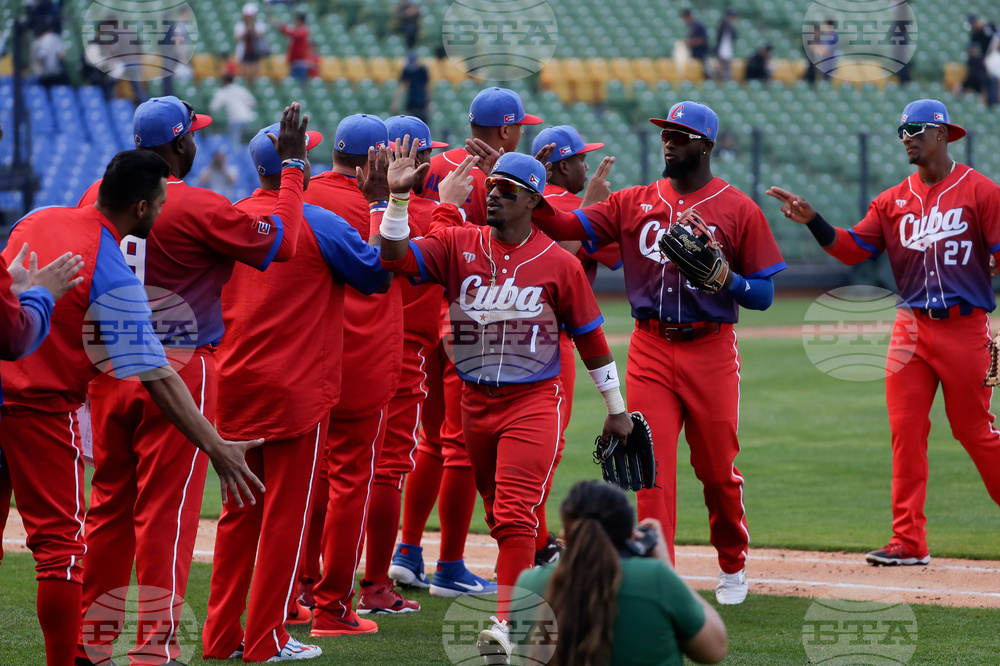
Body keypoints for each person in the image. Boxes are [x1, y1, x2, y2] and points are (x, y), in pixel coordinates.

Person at [1, 150, 265, 666]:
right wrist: (217, 447)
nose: (164, 211)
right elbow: (158, 374)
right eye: (162, 203)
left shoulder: (38, 219)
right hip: (37, 410)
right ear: (141, 208)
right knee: (59, 553)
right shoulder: (111, 268)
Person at [522, 101, 787, 606]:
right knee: (649, 469)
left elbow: (764, 295)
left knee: (716, 471)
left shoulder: (738, 208)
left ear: (705, 145)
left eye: (681, 135)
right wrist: (518, 181)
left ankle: (732, 564)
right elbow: (559, 227)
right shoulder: (631, 202)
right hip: (649, 346)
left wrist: (726, 279)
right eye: (667, 132)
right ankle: (656, 576)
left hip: (710, 348)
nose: (670, 141)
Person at [74, 99, 308, 666]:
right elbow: (286, 242)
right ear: (179, 147)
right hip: (178, 365)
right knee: (166, 514)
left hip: (107, 365)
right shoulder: (199, 204)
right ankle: (157, 648)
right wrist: (295, 169)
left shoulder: (93, 198)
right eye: (193, 136)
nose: (197, 144)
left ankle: (91, 643)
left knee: (108, 508)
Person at [380, 146, 634, 664]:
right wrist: (399, 199)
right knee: (502, 514)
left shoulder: (560, 263)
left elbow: (591, 339)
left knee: (516, 511)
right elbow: (395, 257)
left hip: (533, 400)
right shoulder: (456, 243)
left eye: (506, 190)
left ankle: (509, 624)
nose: (493, 195)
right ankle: (550, 590)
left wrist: (616, 405)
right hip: (474, 402)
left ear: (532, 200)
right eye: (491, 187)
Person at [767, 99, 1000, 567]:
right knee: (905, 433)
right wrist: (814, 221)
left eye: (915, 128)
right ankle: (908, 541)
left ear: (942, 134)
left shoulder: (981, 191)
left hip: (965, 328)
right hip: (910, 328)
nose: (906, 137)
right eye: (901, 131)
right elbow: (852, 250)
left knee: (974, 432)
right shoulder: (892, 201)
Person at [202, 122, 390, 663]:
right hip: (296, 392)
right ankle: (265, 642)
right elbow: (377, 277)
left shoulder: (229, 217)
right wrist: (379, 204)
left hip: (233, 385)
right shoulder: (320, 222)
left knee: (239, 516)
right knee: (285, 517)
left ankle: (220, 640)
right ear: (293, 166)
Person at [386, 87, 543, 599]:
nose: (522, 133)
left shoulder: (437, 161)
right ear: (504, 129)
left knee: (427, 442)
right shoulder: (500, 178)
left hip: (411, 311)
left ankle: (407, 551)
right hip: (463, 317)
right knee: (456, 446)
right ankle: (450, 564)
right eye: (519, 125)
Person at [300, 114, 403, 638]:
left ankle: (295, 591)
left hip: (303, 361)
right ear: (375, 160)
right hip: (360, 364)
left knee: (307, 478)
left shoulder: (300, 197)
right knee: (349, 484)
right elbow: (404, 261)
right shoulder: (387, 206)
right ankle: (333, 608)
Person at [357, 115, 450, 615]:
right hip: (404, 352)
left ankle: (309, 583)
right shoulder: (439, 215)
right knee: (388, 470)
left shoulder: (342, 206)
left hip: (345, 349)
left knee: (336, 467)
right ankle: (374, 586)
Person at [530, 123, 622, 566]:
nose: (587, 165)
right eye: (582, 158)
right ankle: (534, 543)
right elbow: (603, 256)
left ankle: (530, 540)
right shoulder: (579, 207)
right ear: (562, 164)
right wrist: (594, 208)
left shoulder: (521, 200)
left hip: (502, 336)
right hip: (553, 341)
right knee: (545, 445)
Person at [513, 480, 728, 666]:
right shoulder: (656, 579)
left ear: (565, 536)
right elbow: (715, 650)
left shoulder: (528, 585)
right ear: (631, 534)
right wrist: (666, 567)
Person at [208, 72, 258, 146]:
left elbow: (213, 107)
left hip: (235, 120)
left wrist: (210, 115)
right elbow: (253, 102)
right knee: (246, 143)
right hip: (247, 119)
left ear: (223, 81)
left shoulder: (223, 91)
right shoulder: (240, 89)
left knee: (235, 143)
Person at [271, 12, 312, 81]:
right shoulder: (297, 29)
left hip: (300, 62)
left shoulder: (303, 30)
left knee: (299, 84)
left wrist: (279, 24)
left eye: (296, 20)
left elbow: (293, 33)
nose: (295, 21)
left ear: (301, 21)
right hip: (294, 62)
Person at [234, 2, 267, 86]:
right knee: (245, 74)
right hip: (245, 52)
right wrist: (246, 30)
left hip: (255, 51)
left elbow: (261, 35)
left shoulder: (259, 24)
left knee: (255, 74)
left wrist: (252, 29)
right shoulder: (240, 25)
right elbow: (237, 38)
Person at [392, 51, 431, 121]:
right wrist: (396, 101)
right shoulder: (406, 70)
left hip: (422, 101)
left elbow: (428, 87)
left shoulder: (422, 70)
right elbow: (401, 86)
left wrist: (429, 102)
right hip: (411, 100)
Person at [682, 9, 710, 79]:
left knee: (705, 73)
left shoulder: (699, 25)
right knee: (695, 74)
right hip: (694, 53)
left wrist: (689, 43)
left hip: (701, 53)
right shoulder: (691, 26)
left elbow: (703, 40)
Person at [714, 8, 738, 82]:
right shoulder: (725, 23)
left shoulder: (727, 25)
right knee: (724, 71)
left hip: (725, 52)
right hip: (723, 52)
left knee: (726, 71)